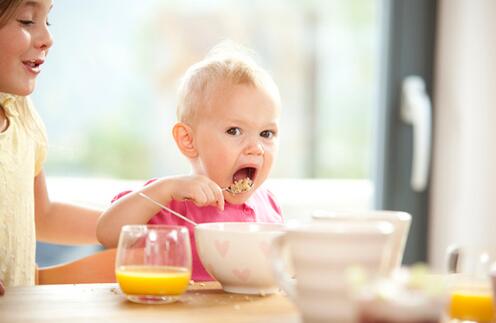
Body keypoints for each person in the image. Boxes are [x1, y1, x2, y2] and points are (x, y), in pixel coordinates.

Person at [97, 42, 283, 281]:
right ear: (188, 140)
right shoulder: (170, 202)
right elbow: (107, 233)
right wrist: (165, 190)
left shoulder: (269, 207)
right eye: (235, 131)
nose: (256, 148)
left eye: (266, 134)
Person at [0, 0, 100, 294]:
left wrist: (132, 223)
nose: (47, 39)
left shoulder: (21, 115)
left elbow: (41, 216)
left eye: (48, 21)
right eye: (28, 21)